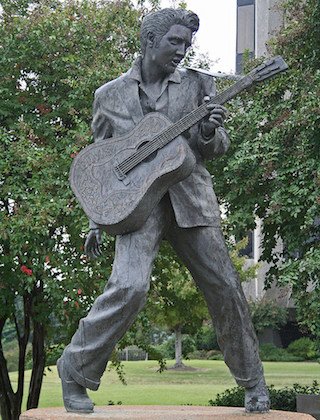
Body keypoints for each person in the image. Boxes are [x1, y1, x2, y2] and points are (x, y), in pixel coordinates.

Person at [58, 8, 270, 414]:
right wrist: (96, 219)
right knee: (129, 288)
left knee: (225, 287)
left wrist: (209, 132)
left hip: (191, 199)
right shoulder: (109, 95)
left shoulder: (198, 85)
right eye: (175, 41)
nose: (183, 50)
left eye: (187, 43)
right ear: (149, 40)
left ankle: (254, 382)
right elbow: (100, 162)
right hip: (136, 206)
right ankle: (75, 368)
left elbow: (216, 146)